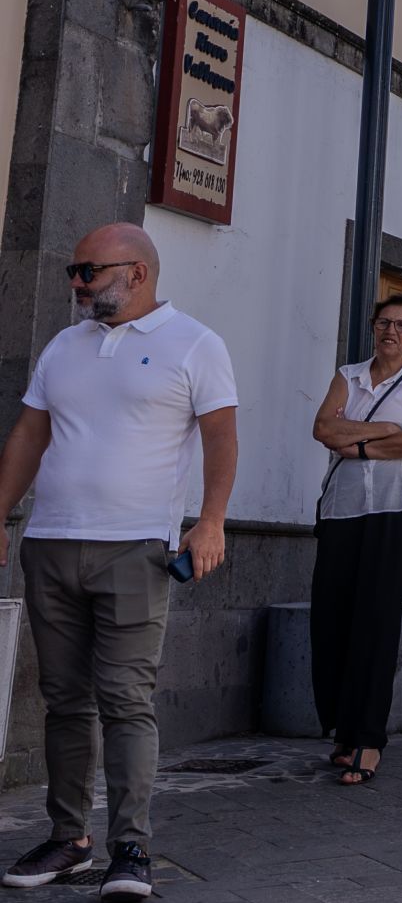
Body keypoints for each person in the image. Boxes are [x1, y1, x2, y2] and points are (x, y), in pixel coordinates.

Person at [0, 223, 236, 898]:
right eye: (74, 270)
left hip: (135, 547)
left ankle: (130, 847)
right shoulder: (64, 345)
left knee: (126, 699)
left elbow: (221, 436)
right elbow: (29, 434)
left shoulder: (194, 342)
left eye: (89, 270)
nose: (76, 282)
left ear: (137, 272)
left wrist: (211, 520)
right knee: (63, 699)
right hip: (51, 541)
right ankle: (68, 839)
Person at [308, 295, 402, 785]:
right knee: (332, 619)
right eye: (384, 322)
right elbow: (323, 428)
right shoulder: (348, 376)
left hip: (398, 508)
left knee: (377, 621)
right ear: (373, 327)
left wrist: (358, 445)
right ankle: (343, 730)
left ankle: (368, 738)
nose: (391, 331)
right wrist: (386, 430)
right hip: (344, 508)